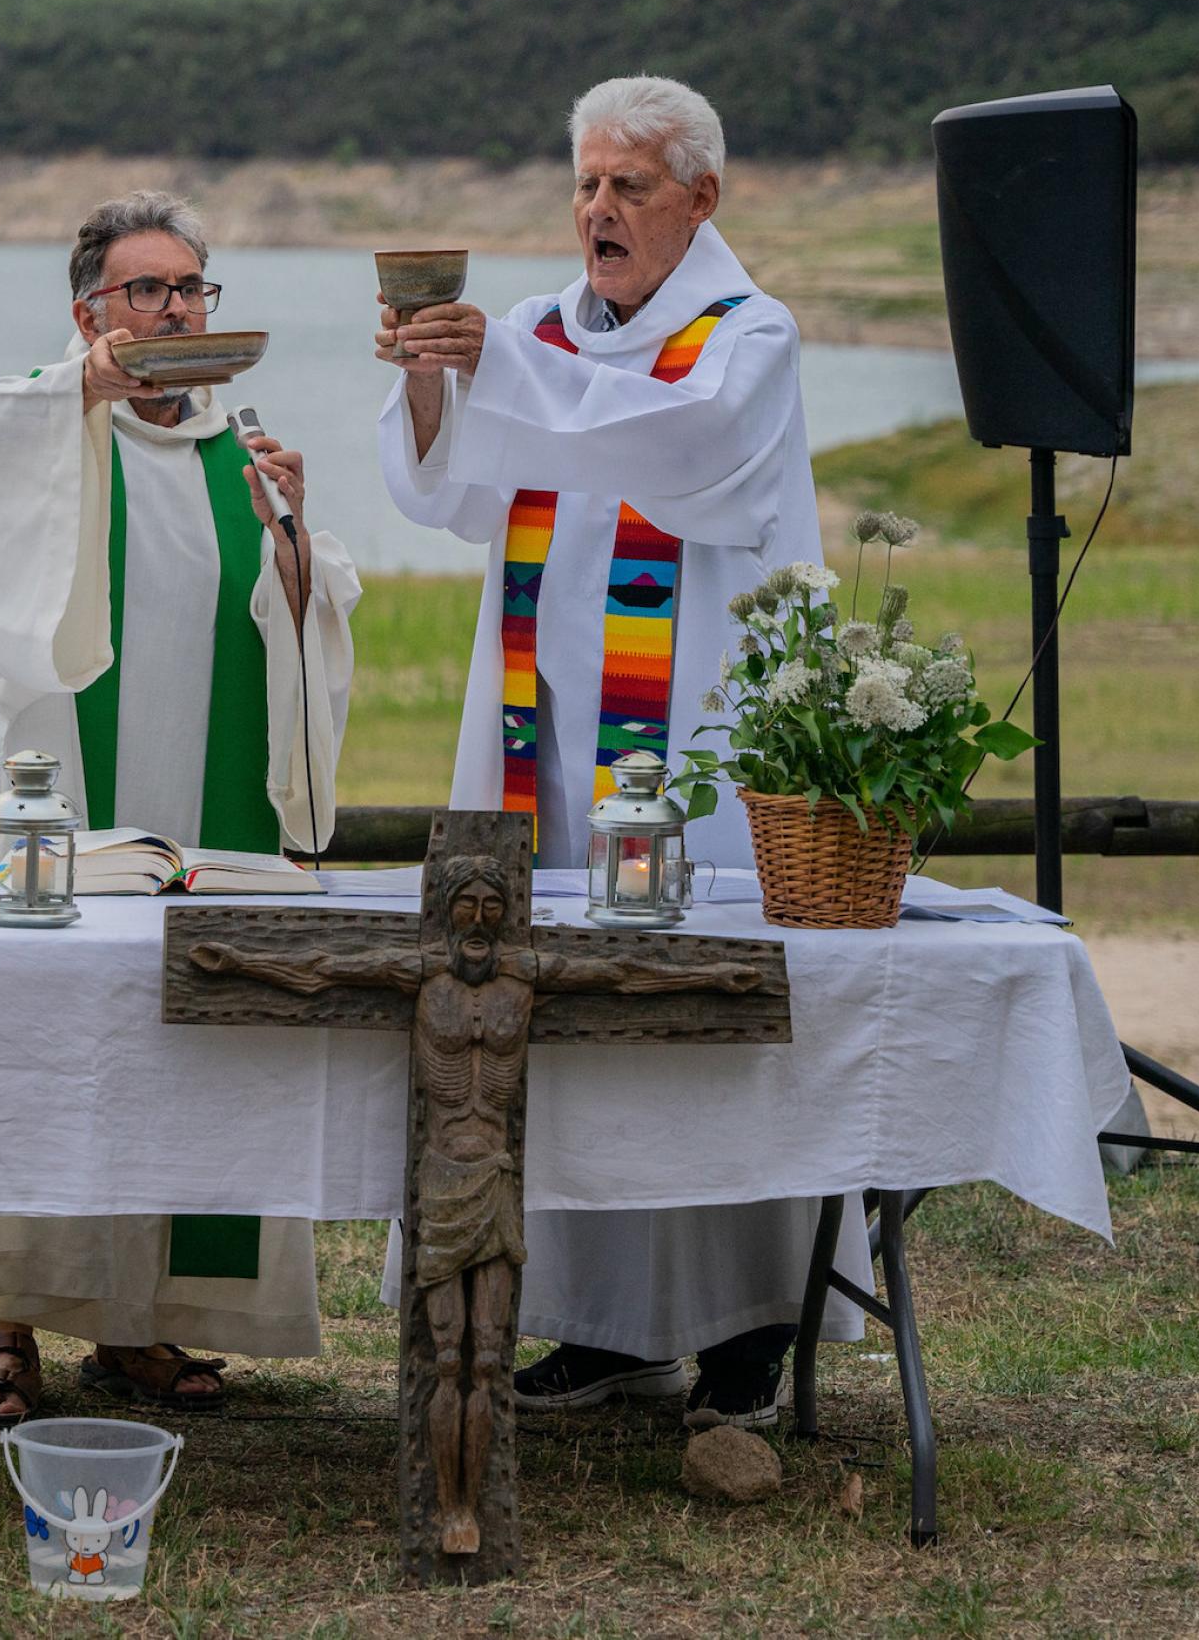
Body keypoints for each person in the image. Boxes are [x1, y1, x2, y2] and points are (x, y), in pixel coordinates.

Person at [373, 75, 868, 1428]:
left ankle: (747, 1323)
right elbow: (452, 493)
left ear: (698, 199)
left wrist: (495, 370)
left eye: (627, 185)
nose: (597, 208)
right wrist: (433, 380)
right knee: (551, 1012)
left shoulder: (743, 335)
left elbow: (680, 449)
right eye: (584, 183)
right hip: (543, 734)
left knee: (697, 1006)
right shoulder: (530, 327)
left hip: (696, 731)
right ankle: (593, 1322)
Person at [0, 191, 362, 1428]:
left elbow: (306, 618)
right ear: (88, 310)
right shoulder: (38, 418)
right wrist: (89, 390)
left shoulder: (241, 452)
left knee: (190, 1048)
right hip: (61, 795)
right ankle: (10, 1316)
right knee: (41, 1038)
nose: (174, 310)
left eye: (192, 289)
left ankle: (154, 1323)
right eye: (146, 291)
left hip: (202, 818)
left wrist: (295, 542)